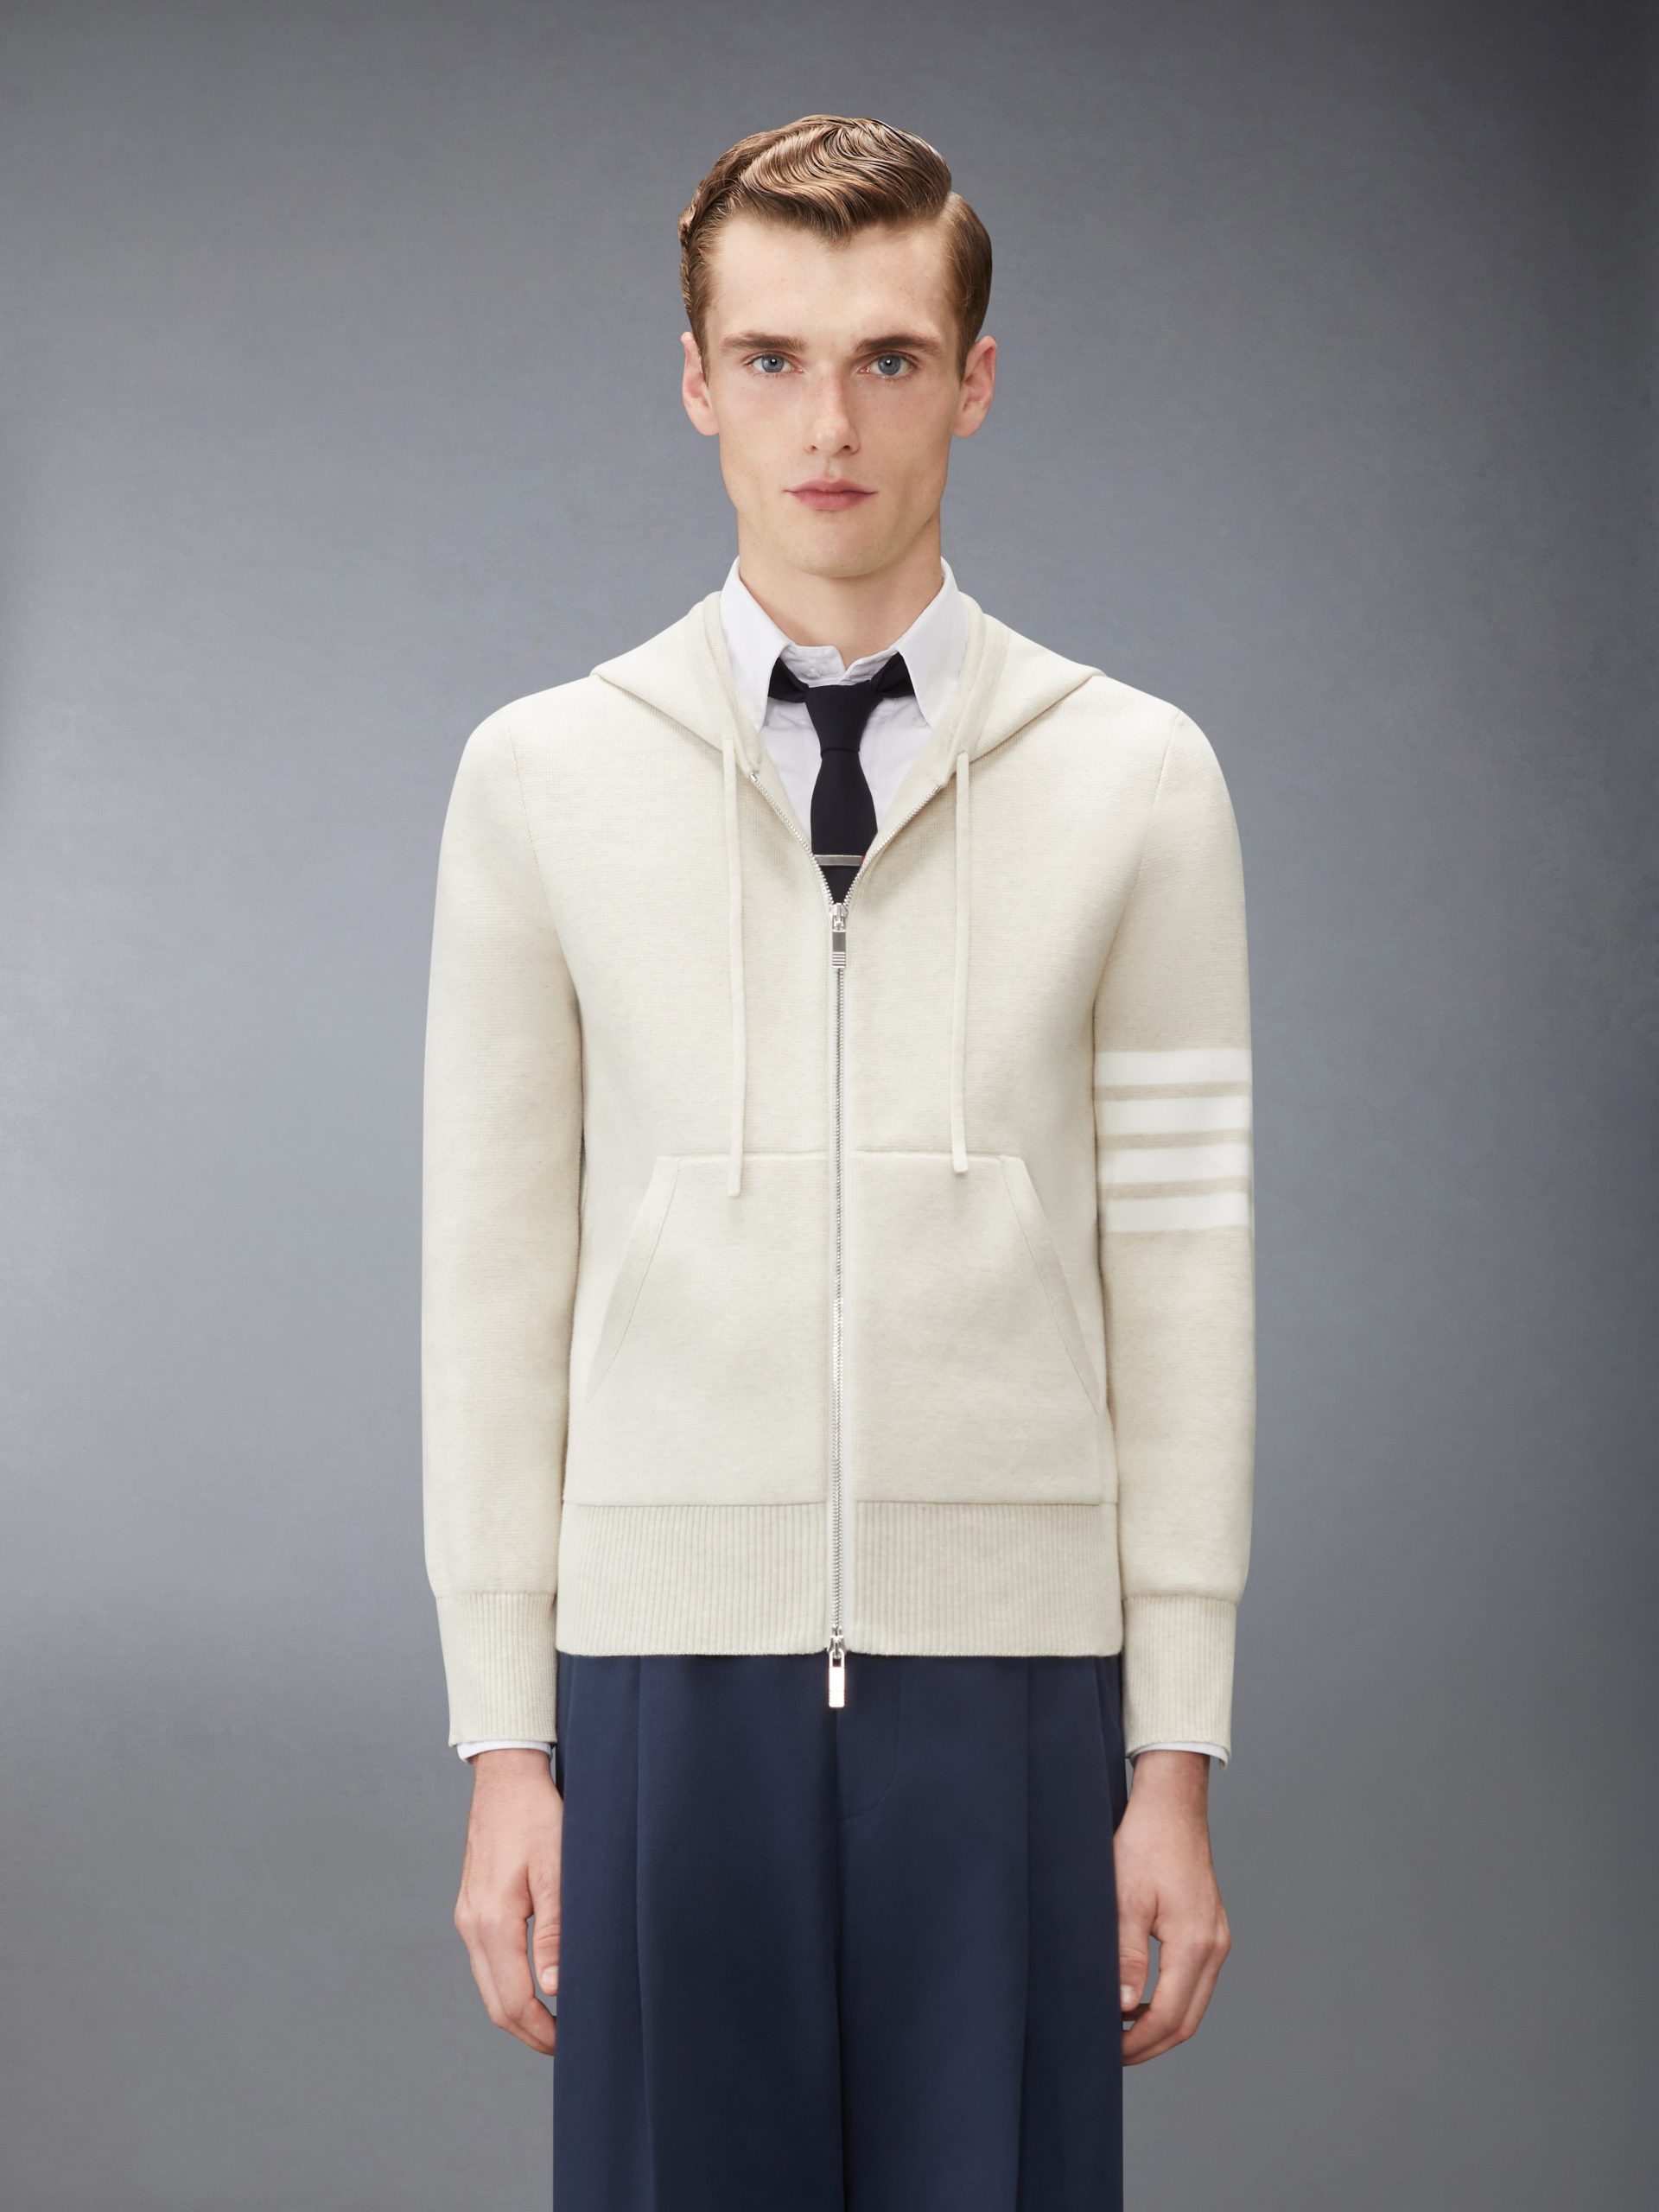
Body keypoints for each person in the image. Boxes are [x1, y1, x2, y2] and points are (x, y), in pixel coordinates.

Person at [422, 112, 1255, 2211]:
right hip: (655, 1679)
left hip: (1019, 1680)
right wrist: (504, 1740)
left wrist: (1174, 1754)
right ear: (696, 382)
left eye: (889, 357)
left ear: (974, 381)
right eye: (772, 357)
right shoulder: (541, 775)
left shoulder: (1139, 778)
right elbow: (491, 1279)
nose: (829, 422)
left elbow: (1184, 1274)